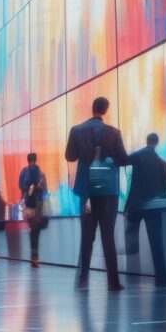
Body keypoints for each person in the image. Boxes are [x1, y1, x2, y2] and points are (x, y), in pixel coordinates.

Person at [65, 97, 129, 291]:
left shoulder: (77, 130)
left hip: (87, 191)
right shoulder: (113, 132)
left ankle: (83, 279)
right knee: (108, 235)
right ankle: (113, 282)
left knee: (87, 235)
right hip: (107, 191)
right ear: (105, 110)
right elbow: (122, 159)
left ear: (92, 108)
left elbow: (70, 156)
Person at [126, 133, 166, 285]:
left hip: (138, 206)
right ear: (157, 143)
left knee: (131, 235)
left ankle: (132, 272)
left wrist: (128, 205)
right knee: (156, 242)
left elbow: (124, 163)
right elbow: (163, 188)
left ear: (147, 141)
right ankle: (161, 277)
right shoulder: (163, 164)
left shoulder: (139, 156)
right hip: (155, 205)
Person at [18, 153, 49, 266]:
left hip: (28, 205)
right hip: (38, 205)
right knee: (36, 231)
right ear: (36, 160)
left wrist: (28, 190)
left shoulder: (24, 172)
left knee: (32, 229)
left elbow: (20, 186)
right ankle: (35, 257)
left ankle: (33, 256)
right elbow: (44, 189)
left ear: (27, 160)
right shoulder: (41, 174)